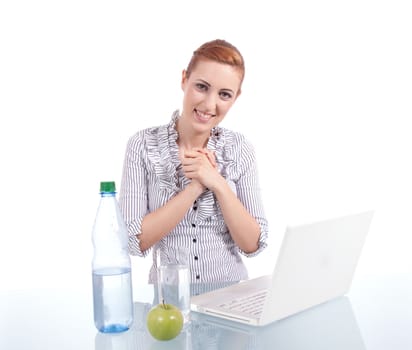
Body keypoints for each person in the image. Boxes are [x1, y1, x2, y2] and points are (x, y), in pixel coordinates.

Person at [119, 39, 268, 284]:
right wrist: (194, 188)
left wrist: (217, 183)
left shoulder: (240, 149)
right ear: (184, 79)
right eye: (201, 86)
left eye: (224, 94)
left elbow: (252, 245)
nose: (210, 104)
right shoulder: (142, 145)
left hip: (231, 297)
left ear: (236, 97)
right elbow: (134, 240)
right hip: (169, 302)